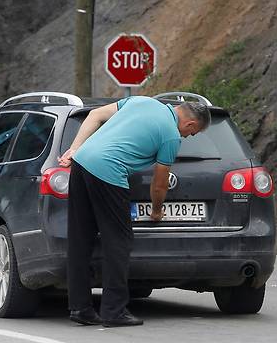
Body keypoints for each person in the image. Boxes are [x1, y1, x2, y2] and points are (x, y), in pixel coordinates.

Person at [58, 96, 211, 327]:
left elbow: (94, 115)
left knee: (81, 239)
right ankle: (113, 311)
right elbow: (160, 184)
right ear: (190, 124)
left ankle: (80, 308)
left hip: (81, 163)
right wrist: (157, 212)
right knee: (118, 241)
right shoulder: (171, 135)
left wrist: (74, 149)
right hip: (108, 172)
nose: (188, 136)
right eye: (193, 133)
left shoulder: (141, 101)